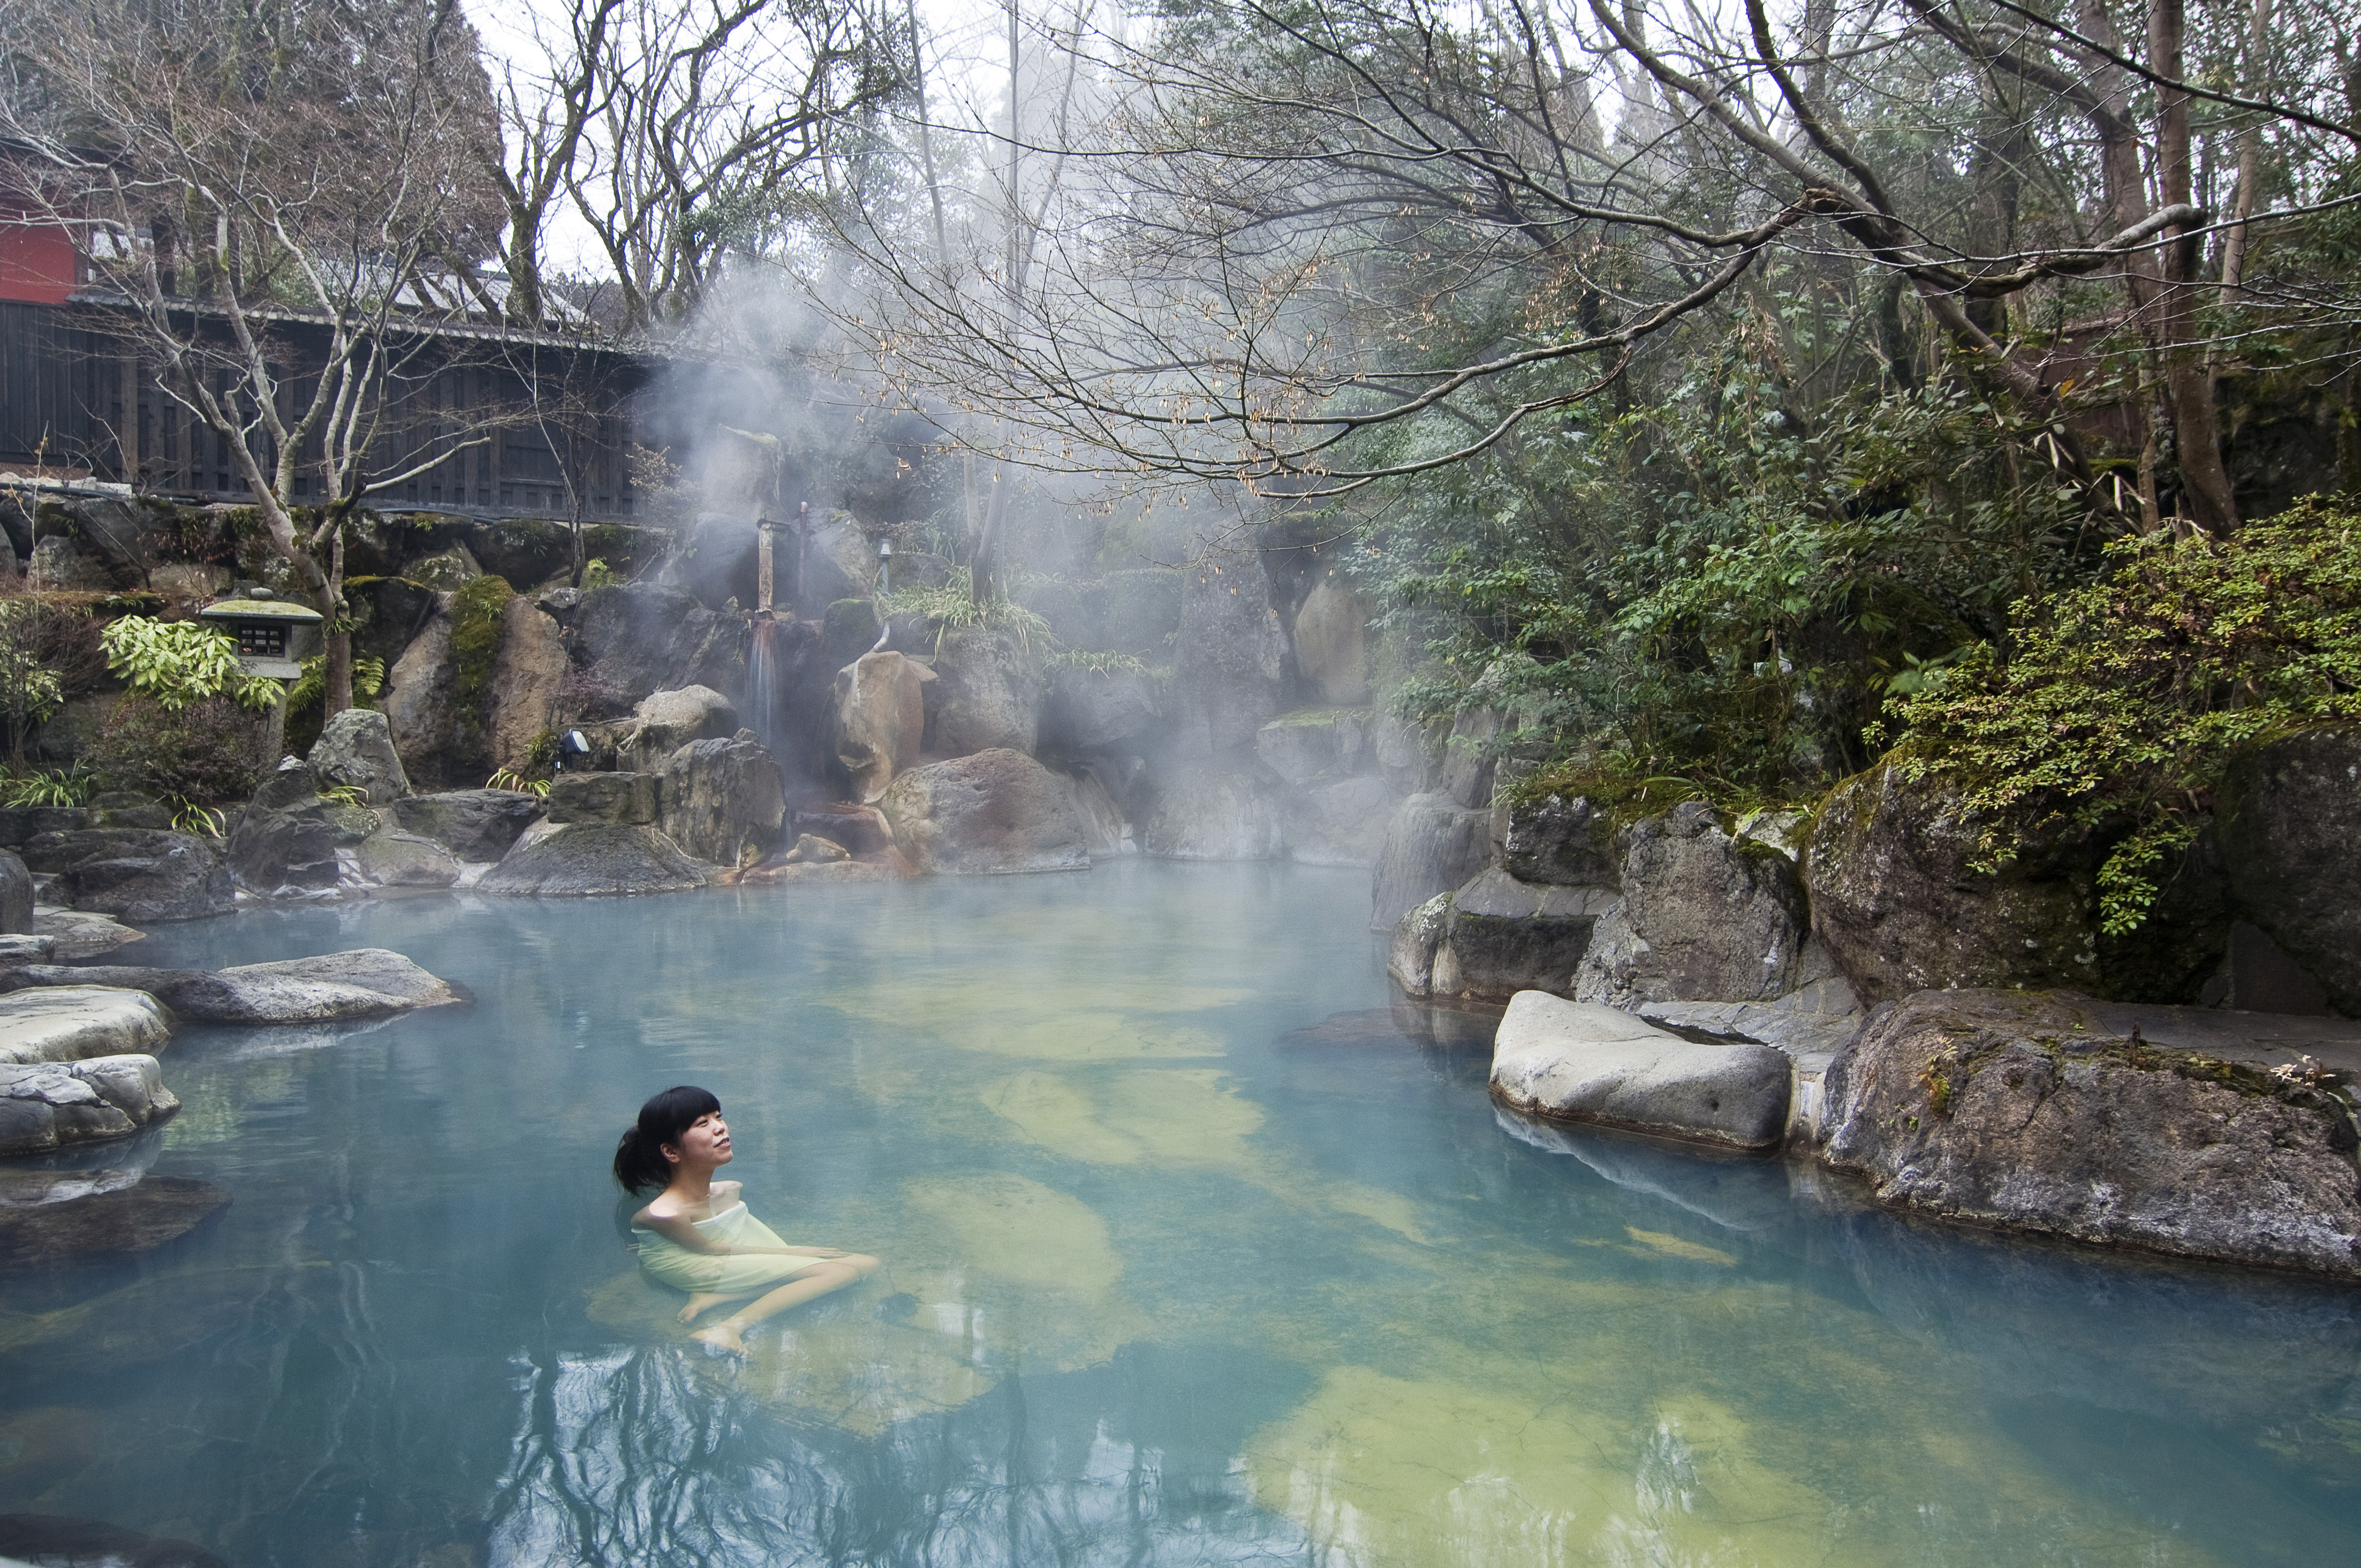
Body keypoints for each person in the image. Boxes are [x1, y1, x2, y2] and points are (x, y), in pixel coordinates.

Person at [613, 1085, 879, 1355]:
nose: (720, 1128)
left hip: (714, 1252)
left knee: (869, 1264)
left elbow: (728, 1237)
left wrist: (791, 1256)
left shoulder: (726, 1191)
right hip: (687, 1263)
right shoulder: (666, 1213)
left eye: (718, 1117)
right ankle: (728, 1328)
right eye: (703, 1124)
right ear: (671, 1152)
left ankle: (720, 1296)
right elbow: (708, 1249)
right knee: (839, 1272)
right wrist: (796, 1252)